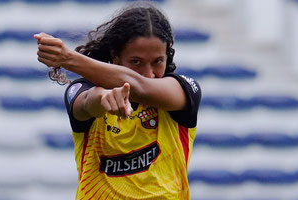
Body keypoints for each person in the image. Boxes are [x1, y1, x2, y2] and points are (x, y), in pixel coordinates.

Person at [34, 2, 201, 199]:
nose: (149, 73)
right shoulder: (81, 89)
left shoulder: (183, 90)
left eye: (157, 61)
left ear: (168, 52)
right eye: (136, 62)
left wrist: (68, 59)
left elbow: (141, 87)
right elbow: (88, 102)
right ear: (115, 55)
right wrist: (102, 99)